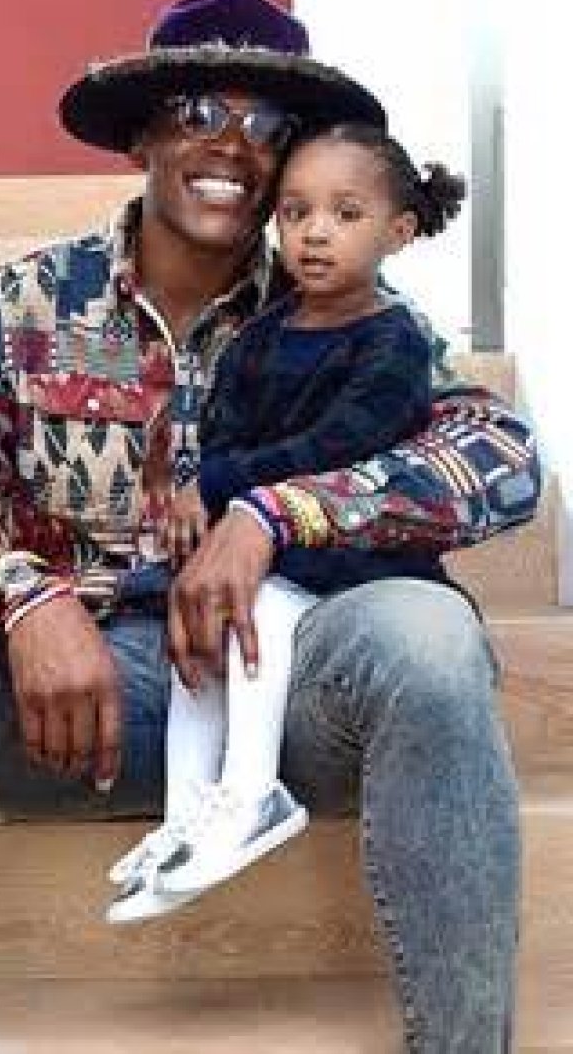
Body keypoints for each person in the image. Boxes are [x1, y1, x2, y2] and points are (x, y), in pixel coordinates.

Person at [0, 0, 536, 1053]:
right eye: (199, 111)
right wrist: (21, 593)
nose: (232, 144)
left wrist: (275, 512)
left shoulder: (345, 306)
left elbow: (498, 457)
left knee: (432, 632)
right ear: (143, 138)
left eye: (266, 126)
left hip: (283, 700)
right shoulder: (16, 306)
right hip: (66, 708)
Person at [106, 121, 466, 924]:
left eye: (345, 214)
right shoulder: (264, 334)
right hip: (259, 543)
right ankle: (186, 816)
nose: (315, 233)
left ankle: (251, 795)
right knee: (196, 622)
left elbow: (342, 445)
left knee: (255, 610)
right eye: (296, 212)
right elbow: (226, 431)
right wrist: (199, 497)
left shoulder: (395, 342)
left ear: (398, 231)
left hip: (349, 556)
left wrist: (221, 485)